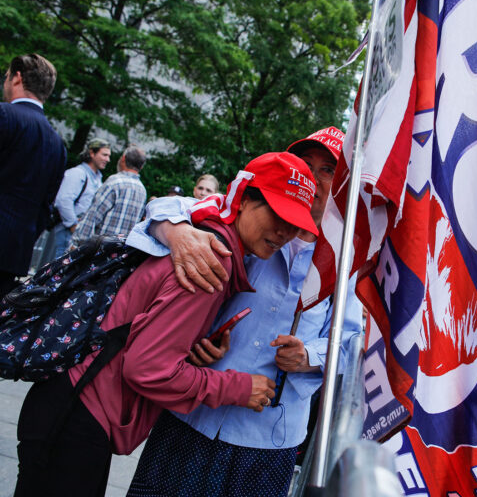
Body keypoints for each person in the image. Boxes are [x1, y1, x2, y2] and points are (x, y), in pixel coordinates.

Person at [14, 152, 318, 497]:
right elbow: (147, 368)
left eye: (294, 223)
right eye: (277, 214)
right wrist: (237, 387)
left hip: (75, 404)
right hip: (78, 413)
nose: (283, 231)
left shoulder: (206, 235)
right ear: (245, 200)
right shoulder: (210, 262)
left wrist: (194, 352)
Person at [126, 126, 360, 497]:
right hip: (193, 415)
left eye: (328, 170)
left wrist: (308, 356)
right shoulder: (253, 216)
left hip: (269, 438)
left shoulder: (350, 257)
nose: (313, 179)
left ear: (347, 181)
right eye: (306, 164)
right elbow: (164, 208)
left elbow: (356, 342)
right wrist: (179, 235)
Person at [0, 53, 67, 298]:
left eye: (6, 76)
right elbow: (45, 206)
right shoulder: (57, 145)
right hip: (14, 253)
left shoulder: (5, 116)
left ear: (17, 78)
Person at [44, 138, 111, 261]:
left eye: (108, 156)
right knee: (55, 272)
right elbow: (63, 201)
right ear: (92, 153)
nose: (108, 159)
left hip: (77, 235)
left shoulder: (97, 179)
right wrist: (73, 226)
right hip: (66, 233)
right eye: (104, 155)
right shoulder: (77, 173)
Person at [70, 145, 148, 247]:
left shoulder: (115, 182)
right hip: (116, 254)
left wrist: (77, 243)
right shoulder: (142, 190)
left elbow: (93, 216)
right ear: (141, 166)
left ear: (123, 158)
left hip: (97, 248)